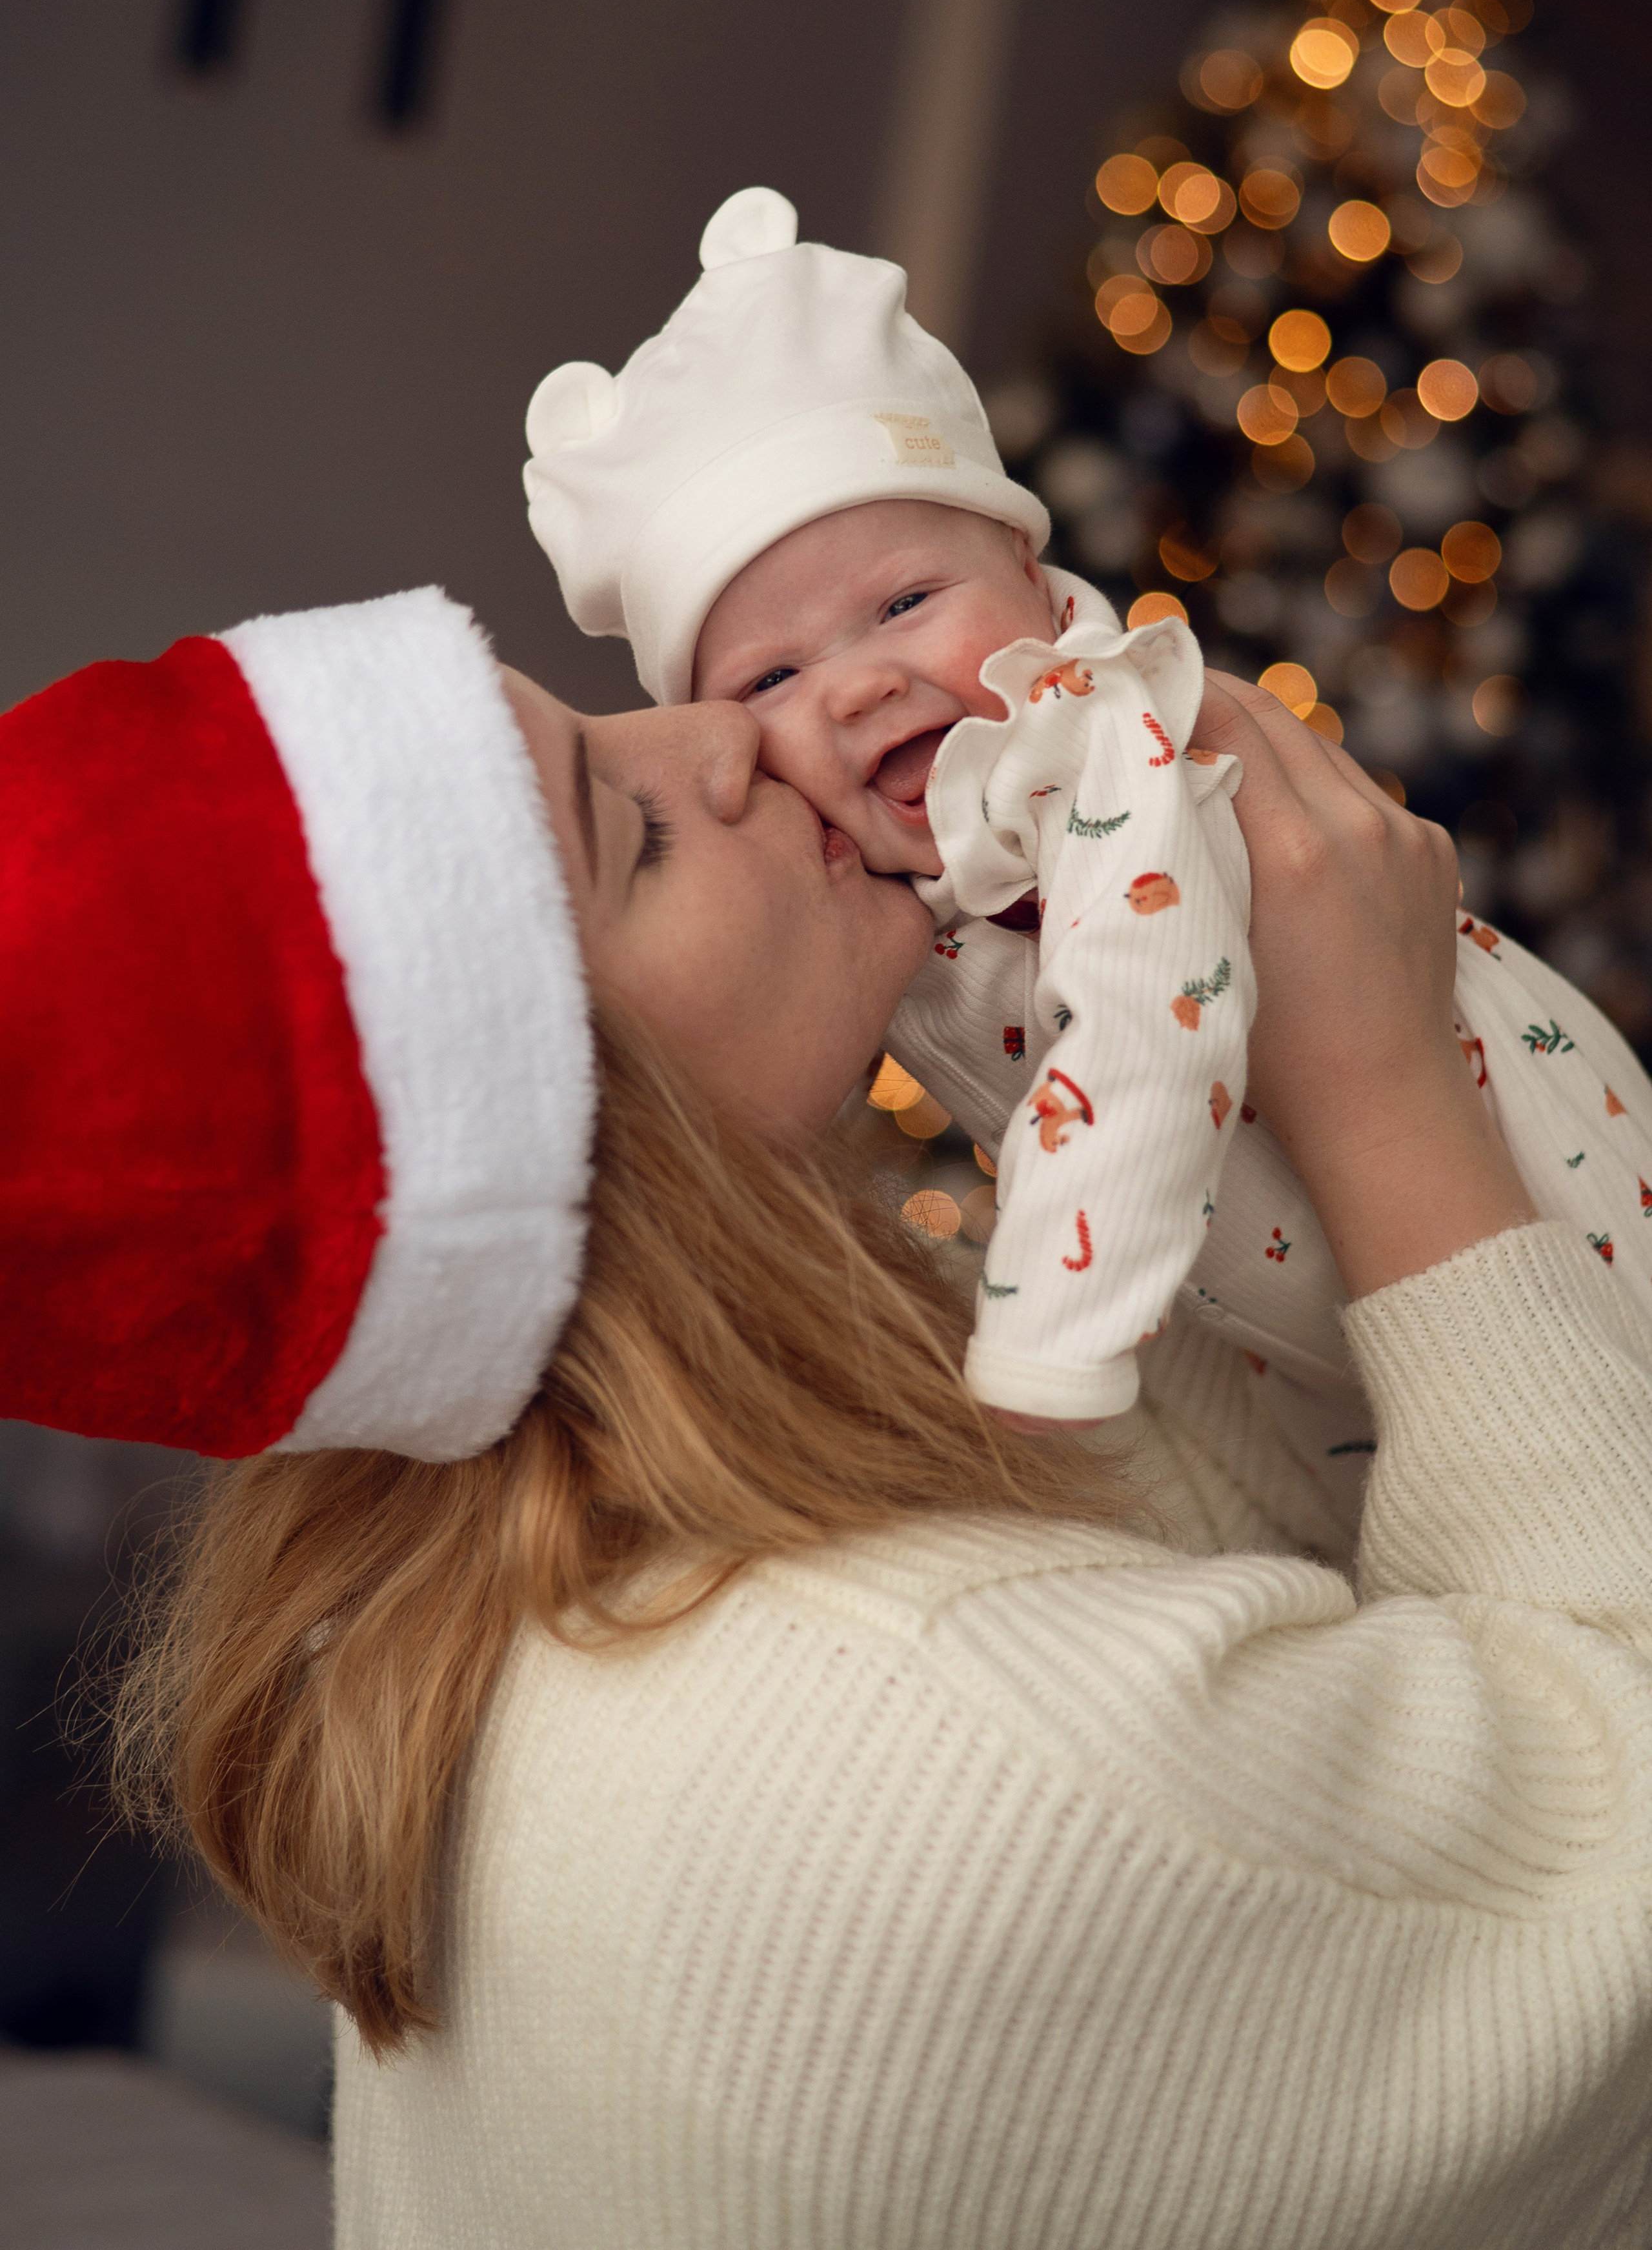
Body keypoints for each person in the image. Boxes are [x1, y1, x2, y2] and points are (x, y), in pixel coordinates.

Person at [5, 583, 1652, 2245]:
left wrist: (1103, 1058)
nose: (720, 736)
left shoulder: (461, 1599)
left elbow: (1244, 1573)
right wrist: (1380, 1093)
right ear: (547, 1142)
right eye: (630, 832)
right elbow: (1609, 1860)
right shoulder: (954, 1749)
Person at [525, 186, 1652, 1530]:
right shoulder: (876, 879)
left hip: (1532, 1196)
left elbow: (1145, 1028)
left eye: (901, 602)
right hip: (1319, 1317)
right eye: (771, 672)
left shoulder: (1096, 753)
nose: (856, 684)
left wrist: (1046, 1349)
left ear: (1026, 569)